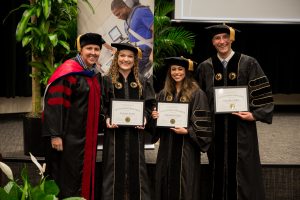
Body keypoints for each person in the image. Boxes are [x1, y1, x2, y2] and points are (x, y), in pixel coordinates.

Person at [195, 24, 274, 200]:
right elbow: (198, 100)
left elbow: (262, 93)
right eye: (217, 38)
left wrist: (254, 114)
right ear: (212, 41)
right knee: (217, 167)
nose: (222, 41)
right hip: (216, 130)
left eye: (225, 37)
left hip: (241, 129)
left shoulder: (248, 62)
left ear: (231, 39)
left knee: (244, 168)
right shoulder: (205, 67)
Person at [42, 33, 105, 200]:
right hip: (68, 138)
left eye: (97, 49)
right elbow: (55, 105)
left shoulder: (93, 73)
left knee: (82, 175)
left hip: (87, 138)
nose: (93, 52)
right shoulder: (68, 73)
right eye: (89, 48)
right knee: (67, 177)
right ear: (81, 50)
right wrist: (55, 135)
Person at [151, 56, 212, 200]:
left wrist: (188, 131)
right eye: (173, 69)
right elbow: (156, 128)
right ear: (169, 72)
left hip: (187, 149)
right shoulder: (163, 94)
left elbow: (203, 124)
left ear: (187, 72)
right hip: (166, 147)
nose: (176, 72)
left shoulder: (197, 94)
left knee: (185, 184)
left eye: (180, 69)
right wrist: (155, 117)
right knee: (165, 180)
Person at [101, 42, 155, 200]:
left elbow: (151, 105)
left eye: (130, 56)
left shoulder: (143, 81)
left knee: (137, 172)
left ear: (135, 60)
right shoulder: (106, 80)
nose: (126, 59)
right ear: (117, 57)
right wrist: (107, 119)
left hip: (135, 136)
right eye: (122, 56)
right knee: (112, 171)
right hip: (113, 137)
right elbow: (100, 105)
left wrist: (145, 117)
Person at [111, 0, 154, 79]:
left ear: (125, 7)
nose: (118, 17)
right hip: (139, 54)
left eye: (118, 14)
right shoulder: (126, 23)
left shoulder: (140, 12)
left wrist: (153, 51)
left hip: (147, 52)